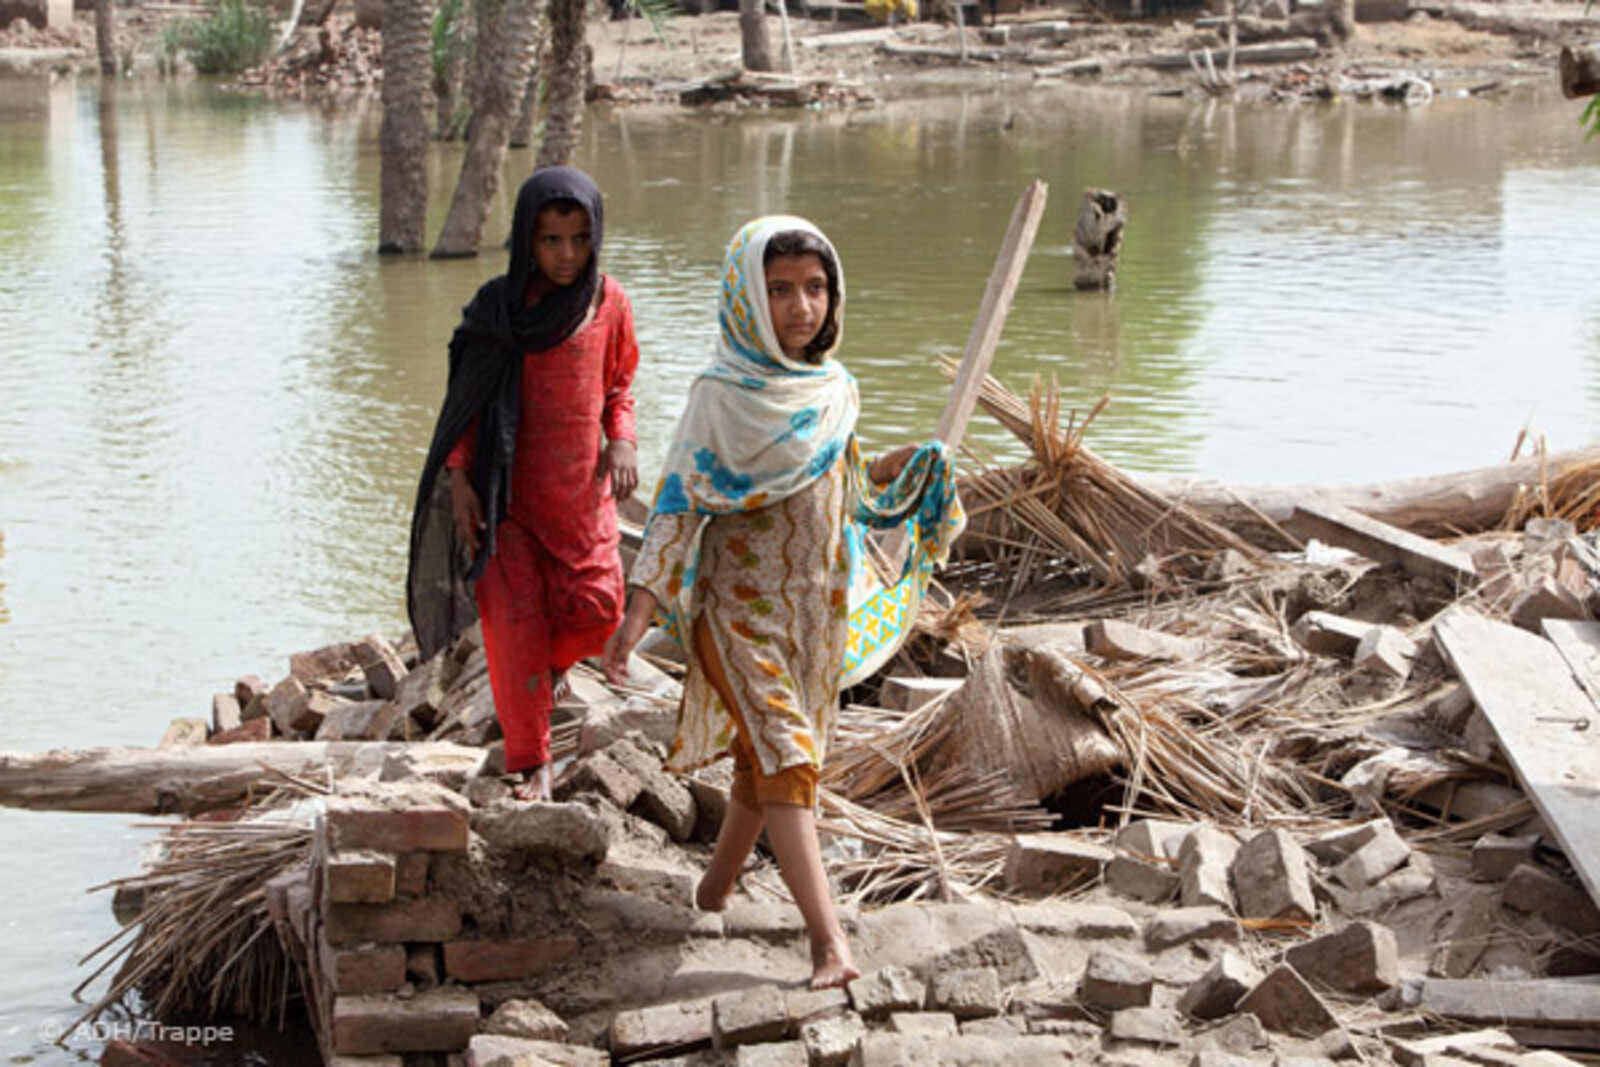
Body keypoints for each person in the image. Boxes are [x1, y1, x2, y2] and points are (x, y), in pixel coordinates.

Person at [601, 215, 963, 990]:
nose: (801, 305)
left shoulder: (834, 391)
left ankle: (711, 891)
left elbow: (849, 494)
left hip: (814, 619)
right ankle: (828, 942)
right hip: (737, 615)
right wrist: (636, 618)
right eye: (779, 290)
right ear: (745, 300)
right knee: (789, 760)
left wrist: (912, 470)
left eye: (814, 287)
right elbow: (675, 508)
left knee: (762, 766)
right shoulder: (719, 398)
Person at [407, 167, 640, 802]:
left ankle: (553, 668)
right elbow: (467, 402)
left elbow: (619, 387)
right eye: (550, 241)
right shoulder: (499, 309)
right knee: (514, 633)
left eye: (579, 239)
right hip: (504, 498)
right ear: (525, 240)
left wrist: (622, 439)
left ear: (596, 236)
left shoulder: (609, 302)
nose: (566, 256)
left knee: (601, 613)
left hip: (579, 497)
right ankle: (529, 761)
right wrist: (460, 480)